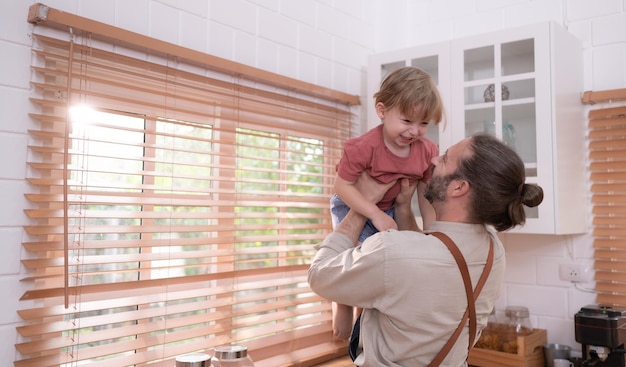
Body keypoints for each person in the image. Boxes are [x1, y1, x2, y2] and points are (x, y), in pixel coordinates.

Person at [309, 134, 544, 366]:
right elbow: (428, 252)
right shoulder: (494, 250)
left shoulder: (393, 251)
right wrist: (403, 209)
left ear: (459, 187)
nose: (432, 161)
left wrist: (362, 206)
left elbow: (319, 275)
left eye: (444, 159)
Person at [330, 66, 445, 340]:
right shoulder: (363, 147)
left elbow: (426, 193)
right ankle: (342, 302)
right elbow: (341, 186)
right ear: (382, 110)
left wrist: (432, 228)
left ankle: (364, 313)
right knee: (353, 259)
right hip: (352, 203)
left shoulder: (427, 150)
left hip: (391, 207)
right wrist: (373, 213)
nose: (415, 131)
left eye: (424, 123)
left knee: (385, 264)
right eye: (407, 121)